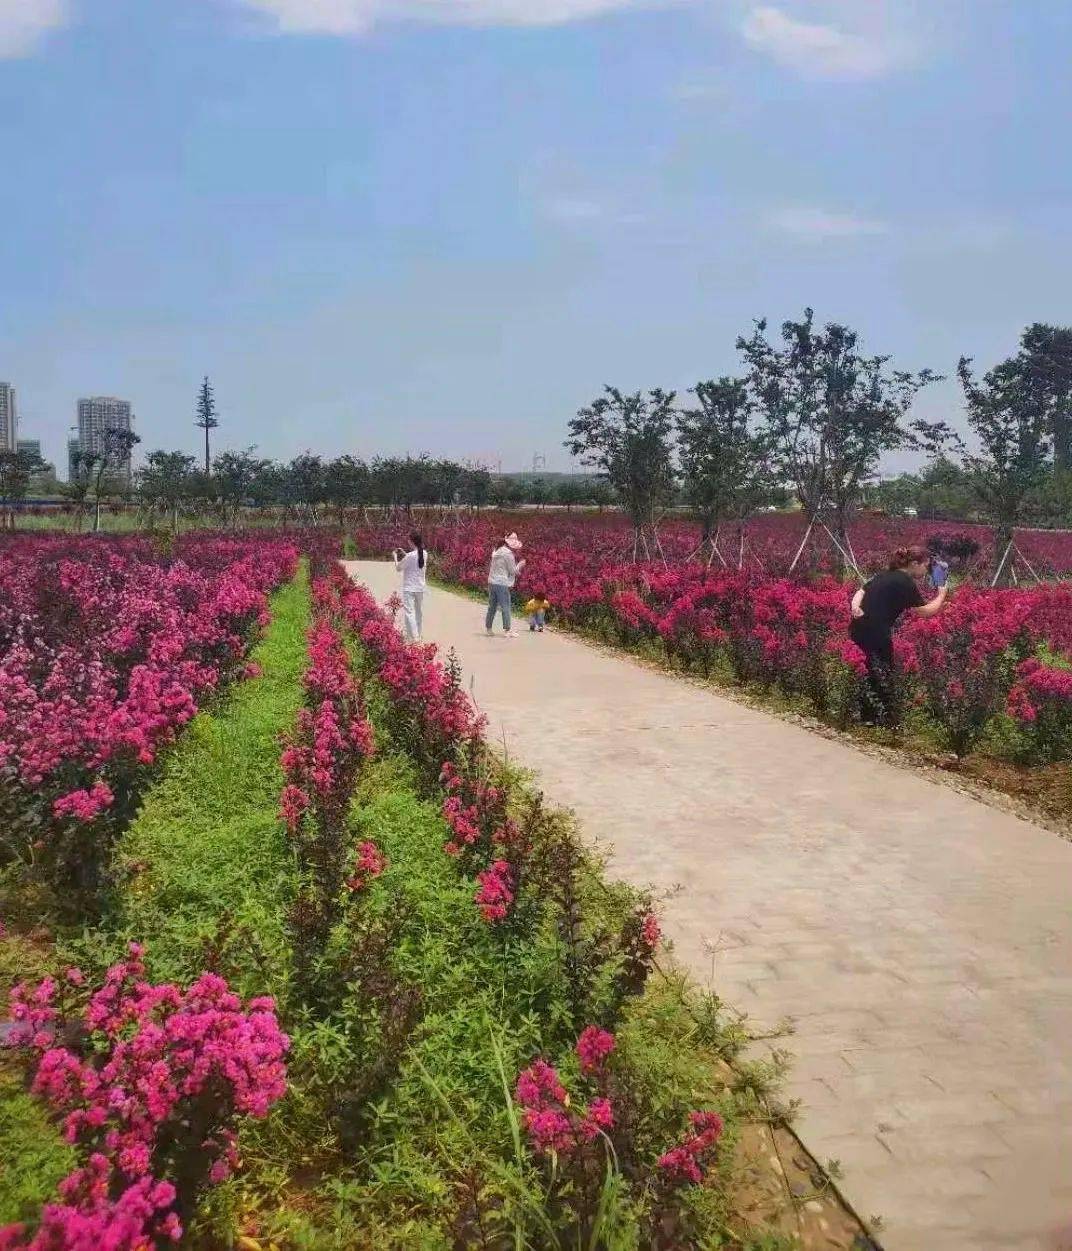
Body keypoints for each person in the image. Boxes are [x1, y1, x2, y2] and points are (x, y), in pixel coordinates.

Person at [849, 544, 949, 726]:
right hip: (876, 630)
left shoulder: (885, 575)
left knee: (869, 669)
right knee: (883, 672)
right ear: (914, 564)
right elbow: (924, 611)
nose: (927, 571)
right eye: (926, 566)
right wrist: (942, 594)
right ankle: (880, 719)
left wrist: (854, 606)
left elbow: (861, 590)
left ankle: (867, 716)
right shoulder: (905, 582)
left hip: (858, 627)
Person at [486, 532, 525, 637]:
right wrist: (520, 565)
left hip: (492, 582)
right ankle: (507, 630)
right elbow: (512, 571)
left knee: (492, 606)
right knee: (505, 607)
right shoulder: (508, 554)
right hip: (501, 583)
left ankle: (488, 628)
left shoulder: (496, 550)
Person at [393, 532, 428, 642]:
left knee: (409, 613)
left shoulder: (410, 556)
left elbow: (398, 568)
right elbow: (414, 559)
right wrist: (404, 553)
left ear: (412, 541)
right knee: (419, 612)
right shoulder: (425, 553)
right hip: (420, 588)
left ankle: (414, 637)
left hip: (409, 588)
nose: (408, 541)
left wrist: (395, 557)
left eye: (409, 540)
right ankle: (418, 633)